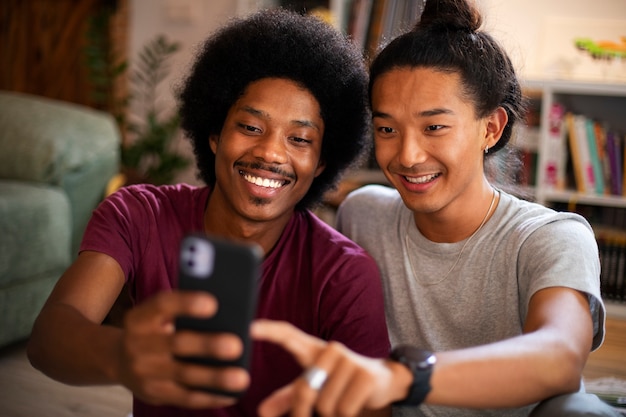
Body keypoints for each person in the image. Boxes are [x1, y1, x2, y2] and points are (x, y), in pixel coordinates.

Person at [251, 0, 620, 416]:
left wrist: (403, 377)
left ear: (491, 127)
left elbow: (559, 358)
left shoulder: (551, 237)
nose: (407, 156)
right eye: (387, 129)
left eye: (434, 127)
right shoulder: (364, 214)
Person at [26, 8, 390, 417]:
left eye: (300, 139)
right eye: (251, 127)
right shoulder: (138, 215)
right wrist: (123, 356)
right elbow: (49, 339)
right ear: (215, 134)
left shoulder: (343, 274)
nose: (271, 152)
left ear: (322, 163)